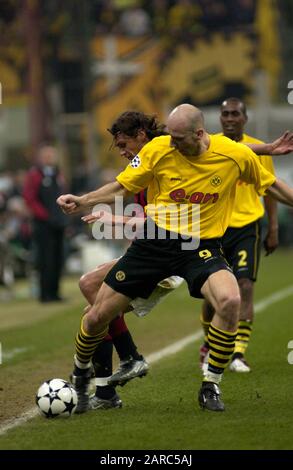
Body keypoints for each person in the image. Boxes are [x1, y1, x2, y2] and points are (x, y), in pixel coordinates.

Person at [57, 104, 293, 413]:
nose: (172, 142)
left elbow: (272, 185)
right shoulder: (159, 148)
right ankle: (80, 376)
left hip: (199, 246)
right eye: (170, 136)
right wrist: (83, 201)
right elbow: (122, 184)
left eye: (178, 138)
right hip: (153, 244)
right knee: (95, 314)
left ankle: (210, 384)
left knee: (231, 300)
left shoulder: (233, 155)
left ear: (199, 133)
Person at [77, 111, 183, 409]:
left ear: (141, 134)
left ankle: (129, 358)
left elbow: (158, 220)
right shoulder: (148, 161)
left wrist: (110, 217)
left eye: (124, 145)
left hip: (165, 257)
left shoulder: (164, 157)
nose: (122, 152)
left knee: (91, 289)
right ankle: (107, 393)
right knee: (94, 310)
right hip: (150, 252)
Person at [199, 97, 279, 373]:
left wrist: (273, 228)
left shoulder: (261, 150)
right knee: (212, 296)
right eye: (225, 114)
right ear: (220, 119)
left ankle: (237, 352)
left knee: (244, 287)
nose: (230, 118)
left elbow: (269, 189)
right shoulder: (209, 147)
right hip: (215, 228)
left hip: (248, 226)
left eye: (235, 113)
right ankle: (209, 344)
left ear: (245, 118)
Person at [23, 144, 67, 303]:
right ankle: (45, 294)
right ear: (42, 158)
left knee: (58, 258)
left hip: (58, 223)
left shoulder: (58, 174)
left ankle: (55, 292)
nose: (50, 158)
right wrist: (45, 215)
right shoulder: (35, 175)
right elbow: (29, 198)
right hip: (43, 225)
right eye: (47, 155)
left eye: (52, 155)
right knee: (45, 259)